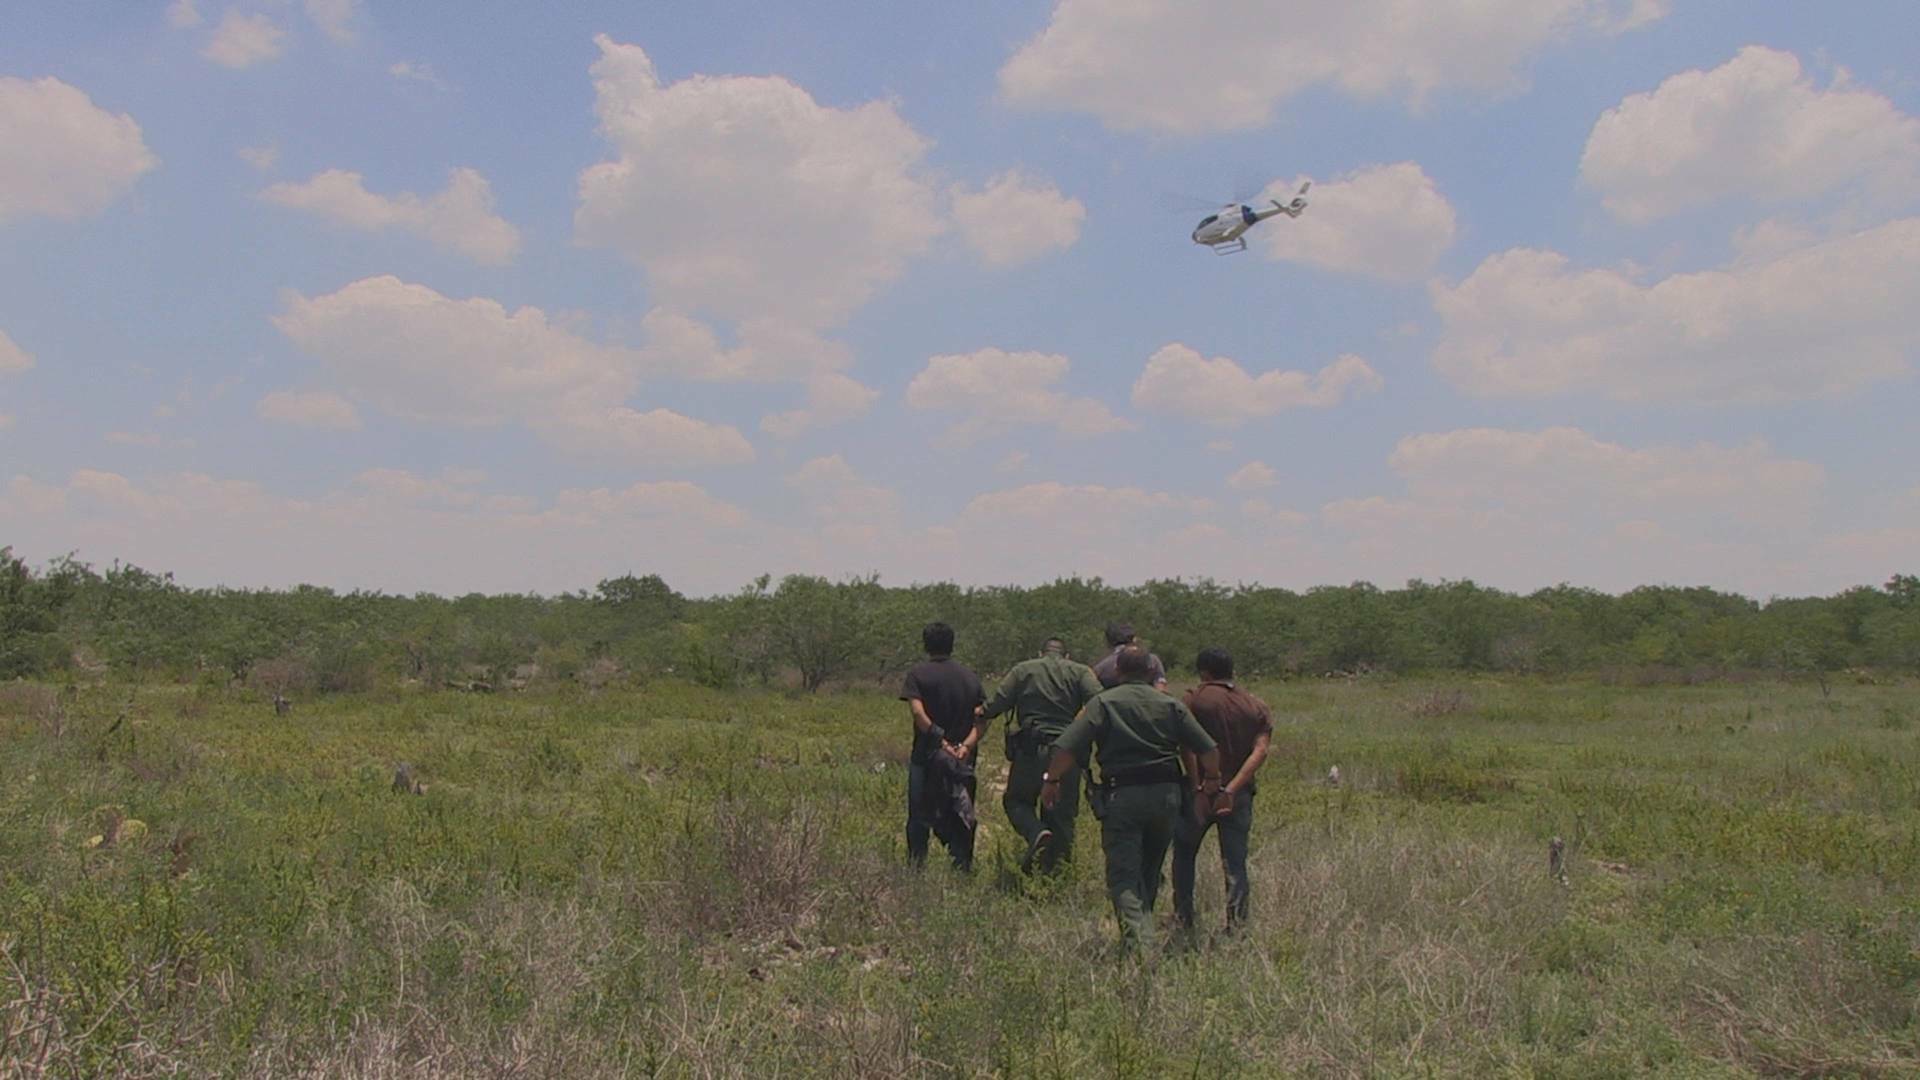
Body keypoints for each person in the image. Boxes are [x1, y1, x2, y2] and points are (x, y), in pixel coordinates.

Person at [1044, 645, 1221, 951]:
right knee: (1150, 869)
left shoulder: (1103, 703)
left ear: (1118, 672)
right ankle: (1143, 932)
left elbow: (1066, 747)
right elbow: (1208, 749)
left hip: (1123, 795)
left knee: (1123, 875)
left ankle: (1141, 947)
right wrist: (1211, 782)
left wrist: (1053, 780)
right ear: (1153, 672)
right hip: (1167, 796)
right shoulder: (1170, 704)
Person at [977, 637, 1104, 871]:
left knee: (1017, 801)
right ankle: (1057, 877)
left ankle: (1036, 832)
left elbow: (998, 702)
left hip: (1031, 750)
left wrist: (981, 712)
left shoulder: (1023, 670)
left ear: (1041, 652)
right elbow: (1100, 702)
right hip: (1067, 753)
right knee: (1062, 816)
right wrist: (1077, 727)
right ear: (1066, 656)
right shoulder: (1080, 672)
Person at [1172, 647, 1274, 934]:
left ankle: (1184, 918)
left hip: (1200, 793)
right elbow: (1261, 751)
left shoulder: (1194, 699)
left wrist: (1197, 787)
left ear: (1204, 672)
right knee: (1235, 862)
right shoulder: (1255, 704)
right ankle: (1237, 926)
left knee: (1184, 855)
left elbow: (1187, 746)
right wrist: (1232, 788)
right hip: (1238, 795)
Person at [900, 621, 985, 870]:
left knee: (919, 816)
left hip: (927, 756)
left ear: (926, 645)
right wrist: (965, 747)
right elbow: (982, 718)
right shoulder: (970, 677)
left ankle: (916, 868)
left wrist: (941, 741)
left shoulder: (918, 674)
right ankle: (962, 868)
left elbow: (918, 713)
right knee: (962, 813)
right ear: (952, 644)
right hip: (962, 760)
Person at [1090, 621, 1167, 690]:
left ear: (1109, 642)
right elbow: (1160, 689)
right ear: (1134, 639)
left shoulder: (1100, 668)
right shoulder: (1153, 660)